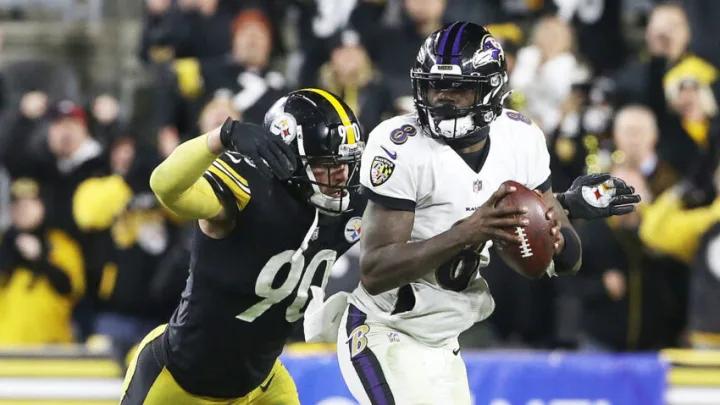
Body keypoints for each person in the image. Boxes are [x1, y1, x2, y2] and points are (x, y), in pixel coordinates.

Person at [330, 22, 637, 404]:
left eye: (458, 88)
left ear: (490, 88)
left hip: (444, 341)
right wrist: (468, 232)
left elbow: (564, 261)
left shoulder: (520, 138)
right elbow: (375, 271)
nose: (442, 99)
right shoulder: (400, 145)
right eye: (434, 86)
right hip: (383, 330)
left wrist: (563, 217)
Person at [120, 88, 366, 404]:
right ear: (289, 159)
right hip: (179, 382)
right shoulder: (249, 189)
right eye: (326, 164)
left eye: (346, 162)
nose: (341, 176)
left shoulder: (352, 204)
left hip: (261, 384)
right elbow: (165, 186)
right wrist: (221, 137)